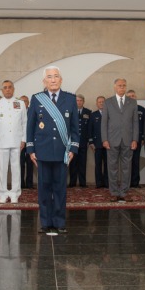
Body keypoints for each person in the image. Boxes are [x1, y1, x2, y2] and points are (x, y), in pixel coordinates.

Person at [26, 66, 79, 235]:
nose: (53, 79)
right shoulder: (36, 99)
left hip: (63, 152)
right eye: (50, 77)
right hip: (42, 151)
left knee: (60, 189)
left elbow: (75, 128)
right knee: (43, 189)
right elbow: (30, 126)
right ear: (44, 81)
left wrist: (73, 149)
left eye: (56, 76)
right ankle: (45, 222)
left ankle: (59, 222)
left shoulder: (70, 99)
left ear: (61, 80)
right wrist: (31, 149)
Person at [101, 78, 139, 202]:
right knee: (112, 167)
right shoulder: (108, 102)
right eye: (119, 85)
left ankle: (124, 192)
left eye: (124, 85)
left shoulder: (132, 102)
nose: (122, 87)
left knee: (126, 167)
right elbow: (104, 122)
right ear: (114, 87)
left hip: (128, 140)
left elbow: (135, 123)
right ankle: (113, 192)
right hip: (111, 140)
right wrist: (104, 139)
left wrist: (135, 139)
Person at [0, 81, 27, 203]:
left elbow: (24, 123)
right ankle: (2, 193)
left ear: (13, 89)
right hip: (1, 141)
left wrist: (23, 139)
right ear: (2, 90)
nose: (7, 90)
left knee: (16, 168)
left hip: (17, 141)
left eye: (9, 87)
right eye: (5, 88)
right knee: (2, 168)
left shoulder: (20, 103)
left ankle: (15, 193)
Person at [69, 94, 91, 188]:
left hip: (83, 142)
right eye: (77, 100)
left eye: (80, 100)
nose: (79, 102)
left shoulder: (88, 112)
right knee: (72, 163)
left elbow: (90, 127)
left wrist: (89, 140)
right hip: (72, 142)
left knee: (82, 163)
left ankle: (83, 183)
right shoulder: (70, 111)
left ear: (83, 101)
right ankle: (72, 183)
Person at [126, 90, 145, 188]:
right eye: (129, 96)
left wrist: (143, 138)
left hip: (137, 139)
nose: (131, 97)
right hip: (125, 140)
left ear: (136, 97)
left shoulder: (141, 109)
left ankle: (135, 182)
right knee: (126, 162)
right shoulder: (122, 109)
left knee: (136, 161)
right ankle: (126, 183)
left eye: (133, 96)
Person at [89, 96, 108, 188]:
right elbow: (90, 130)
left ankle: (107, 183)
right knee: (98, 164)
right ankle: (99, 183)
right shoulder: (93, 115)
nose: (101, 103)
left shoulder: (110, 114)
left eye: (103, 102)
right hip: (97, 144)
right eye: (99, 102)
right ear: (96, 104)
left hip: (108, 144)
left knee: (108, 164)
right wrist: (91, 142)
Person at [19, 95, 34, 189]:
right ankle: (21, 184)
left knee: (30, 163)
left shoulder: (32, 111)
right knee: (20, 163)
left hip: (30, 142)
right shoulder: (16, 112)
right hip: (19, 142)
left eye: (25, 101)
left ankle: (29, 184)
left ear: (28, 103)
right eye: (22, 101)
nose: (24, 103)